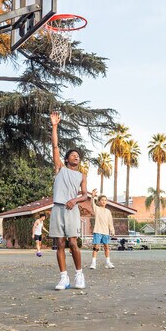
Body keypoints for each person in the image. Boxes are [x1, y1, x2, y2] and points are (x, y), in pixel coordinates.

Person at [49, 112, 88, 290]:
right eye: (72, 154)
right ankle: (64, 278)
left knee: (73, 243)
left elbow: (85, 195)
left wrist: (74, 200)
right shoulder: (60, 169)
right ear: (66, 159)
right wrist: (55, 126)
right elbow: (55, 147)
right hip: (58, 208)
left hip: (72, 209)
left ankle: (79, 275)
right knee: (60, 244)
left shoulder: (82, 175)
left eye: (77, 155)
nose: (76, 156)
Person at [89, 189, 115, 269]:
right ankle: (93, 263)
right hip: (97, 230)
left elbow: (110, 222)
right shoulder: (97, 209)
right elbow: (92, 203)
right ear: (99, 201)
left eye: (105, 200)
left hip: (106, 232)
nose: (103, 201)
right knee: (96, 247)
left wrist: (112, 230)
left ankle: (108, 262)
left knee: (106, 247)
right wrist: (92, 196)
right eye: (102, 200)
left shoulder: (108, 211)